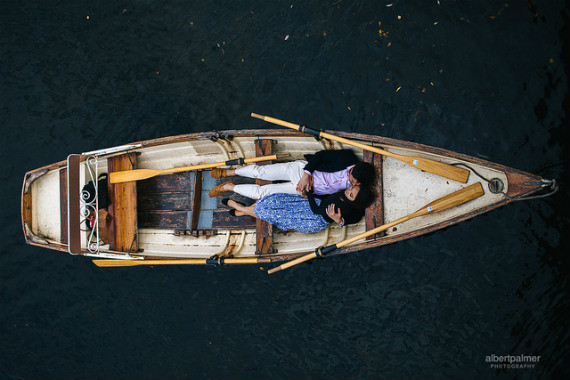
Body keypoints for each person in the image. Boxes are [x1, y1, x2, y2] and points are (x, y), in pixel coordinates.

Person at [208, 149, 376, 199]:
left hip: (303, 190)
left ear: (358, 184)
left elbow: (332, 198)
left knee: (263, 193)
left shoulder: (357, 189)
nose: (349, 178)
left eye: (352, 180)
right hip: (302, 171)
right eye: (350, 174)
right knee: (262, 172)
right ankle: (228, 171)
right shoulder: (348, 158)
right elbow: (320, 155)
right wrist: (306, 175)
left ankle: (230, 187)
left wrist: (308, 194)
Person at [223, 185, 374, 234]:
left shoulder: (349, 209)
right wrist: (310, 194)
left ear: (356, 201)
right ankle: (241, 211)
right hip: (308, 205)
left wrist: (338, 220)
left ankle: (238, 207)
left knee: (268, 212)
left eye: (352, 194)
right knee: (274, 201)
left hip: (312, 218)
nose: (349, 191)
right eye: (352, 188)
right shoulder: (342, 194)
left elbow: (317, 211)